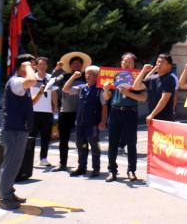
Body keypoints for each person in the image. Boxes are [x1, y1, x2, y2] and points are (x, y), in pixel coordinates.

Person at [0, 55, 37, 210]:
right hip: (13, 130)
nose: (34, 68)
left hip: (18, 129)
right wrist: (27, 66)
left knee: (14, 164)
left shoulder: (20, 83)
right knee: (11, 165)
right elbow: (32, 80)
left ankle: (8, 192)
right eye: (32, 65)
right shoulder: (16, 81)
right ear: (23, 66)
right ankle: (4, 198)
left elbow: (28, 102)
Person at [103, 52, 146, 182]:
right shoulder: (115, 76)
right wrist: (106, 90)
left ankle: (131, 170)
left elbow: (143, 97)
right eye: (124, 61)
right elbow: (107, 97)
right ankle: (112, 171)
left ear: (134, 64)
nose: (126, 64)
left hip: (130, 112)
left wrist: (128, 93)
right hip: (115, 111)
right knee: (113, 143)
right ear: (121, 63)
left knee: (131, 142)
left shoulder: (137, 78)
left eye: (129, 62)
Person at [63, 65, 107, 177]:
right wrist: (73, 77)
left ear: (96, 76)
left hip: (93, 123)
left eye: (91, 74)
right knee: (81, 145)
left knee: (94, 146)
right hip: (80, 123)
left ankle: (96, 168)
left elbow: (104, 106)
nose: (87, 76)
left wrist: (103, 121)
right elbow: (65, 89)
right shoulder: (81, 88)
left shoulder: (100, 90)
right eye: (87, 73)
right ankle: (81, 167)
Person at [51, 51, 90, 171]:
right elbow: (52, 83)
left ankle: (82, 165)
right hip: (66, 112)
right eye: (74, 63)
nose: (76, 65)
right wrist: (57, 70)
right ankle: (62, 163)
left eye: (78, 63)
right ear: (70, 65)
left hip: (81, 112)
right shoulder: (64, 76)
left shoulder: (86, 77)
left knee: (82, 139)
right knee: (63, 139)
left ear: (82, 65)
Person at [30, 56, 58, 167]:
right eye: (40, 64)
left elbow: (54, 93)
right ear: (36, 66)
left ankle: (43, 158)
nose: (42, 66)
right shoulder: (31, 78)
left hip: (47, 112)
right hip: (33, 111)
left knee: (45, 137)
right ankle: (28, 159)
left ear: (47, 66)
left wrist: (55, 106)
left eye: (44, 64)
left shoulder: (51, 78)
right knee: (31, 137)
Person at [133, 54, 177, 124]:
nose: (159, 64)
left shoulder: (169, 78)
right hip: (152, 118)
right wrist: (143, 71)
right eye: (158, 62)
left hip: (165, 118)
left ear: (169, 66)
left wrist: (152, 115)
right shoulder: (152, 78)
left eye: (162, 62)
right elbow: (136, 87)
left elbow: (164, 99)